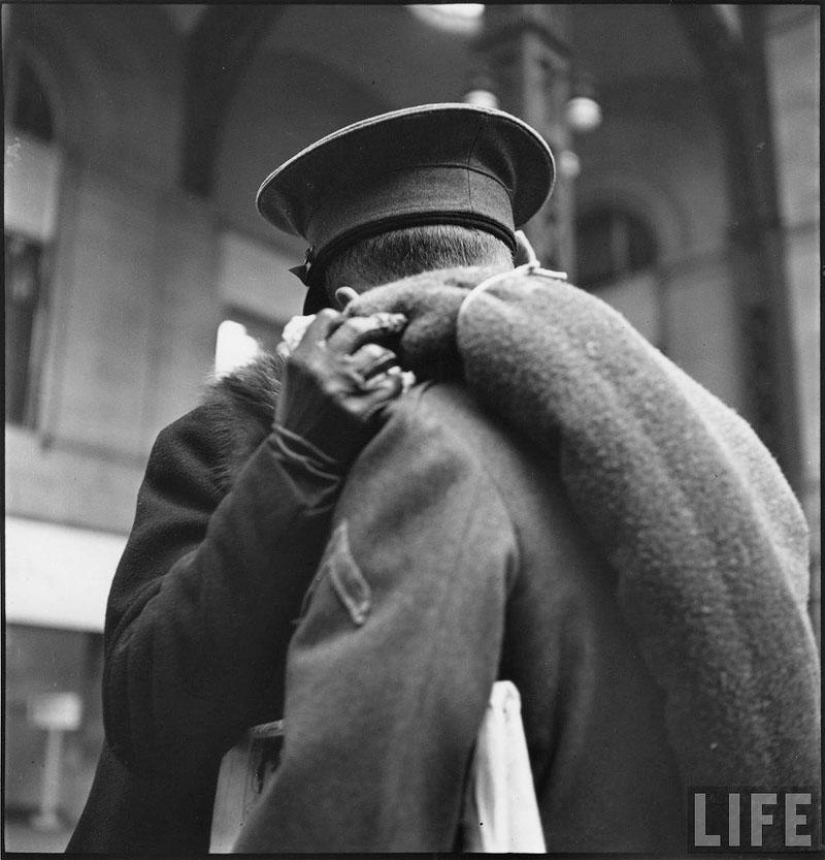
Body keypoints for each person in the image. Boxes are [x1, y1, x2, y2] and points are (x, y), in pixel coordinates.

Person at [68, 104, 820, 855]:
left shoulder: (481, 447)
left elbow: (362, 795)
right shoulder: (234, 436)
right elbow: (148, 717)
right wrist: (294, 464)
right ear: (523, 275)